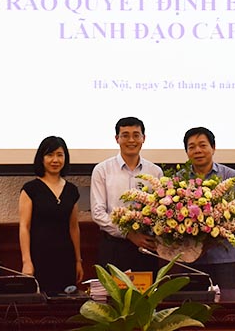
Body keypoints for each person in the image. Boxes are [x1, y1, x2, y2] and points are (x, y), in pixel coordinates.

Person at [90, 117, 163, 272]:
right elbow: (98, 213)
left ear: (144, 138)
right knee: (113, 288)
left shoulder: (155, 172)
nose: (131, 140)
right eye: (125, 135)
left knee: (148, 288)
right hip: (113, 247)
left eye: (136, 135)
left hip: (146, 246)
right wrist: (128, 234)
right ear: (117, 139)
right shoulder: (102, 170)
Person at [182, 127, 235, 289]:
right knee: (192, 303)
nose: (198, 150)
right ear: (187, 152)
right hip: (191, 258)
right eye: (192, 147)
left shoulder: (230, 176)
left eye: (203, 145)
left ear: (213, 147)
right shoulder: (179, 178)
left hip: (224, 257)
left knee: (226, 302)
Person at [19, 136, 83, 295]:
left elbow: (74, 227)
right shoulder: (30, 189)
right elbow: (24, 227)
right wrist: (26, 261)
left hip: (66, 258)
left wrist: (78, 261)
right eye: (50, 155)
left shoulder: (72, 190)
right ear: (41, 158)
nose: (55, 160)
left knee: (66, 302)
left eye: (60, 155)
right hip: (39, 257)